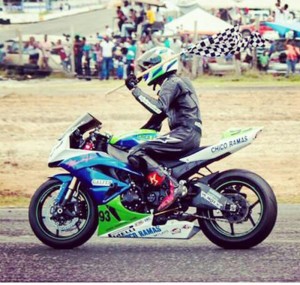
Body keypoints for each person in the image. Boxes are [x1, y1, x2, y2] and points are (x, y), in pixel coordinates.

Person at [124, 47, 202, 212]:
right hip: (188, 133)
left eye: (147, 68)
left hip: (184, 133)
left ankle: (171, 188)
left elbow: (158, 109)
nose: (144, 72)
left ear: (159, 65)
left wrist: (134, 90)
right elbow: (156, 120)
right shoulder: (175, 83)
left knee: (136, 152)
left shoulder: (172, 82)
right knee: (144, 149)